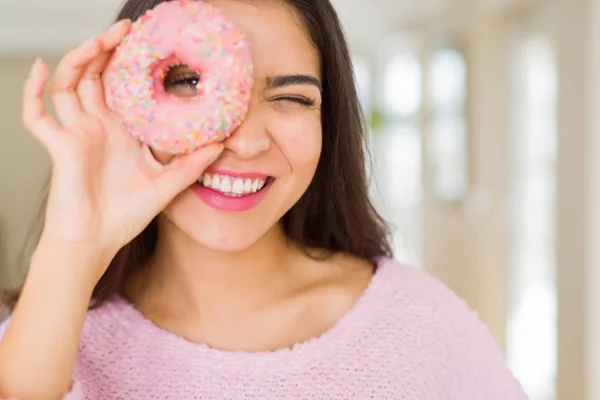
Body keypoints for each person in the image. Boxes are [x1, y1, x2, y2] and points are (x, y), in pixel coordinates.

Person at [0, 0, 528, 398]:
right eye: (189, 83)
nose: (248, 141)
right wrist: (74, 242)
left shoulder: (419, 327)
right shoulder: (44, 339)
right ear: (125, 103)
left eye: (291, 98)